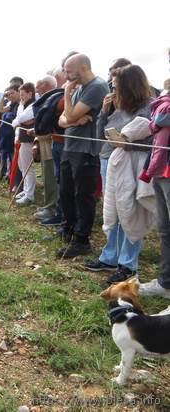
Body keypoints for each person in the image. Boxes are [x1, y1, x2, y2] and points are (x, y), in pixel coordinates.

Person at [84, 64, 154, 283]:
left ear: (129, 87)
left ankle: (128, 264)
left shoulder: (150, 107)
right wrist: (104, 114)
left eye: (117, 87)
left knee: (131, 212)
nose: (113, 91)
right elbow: (102, 136)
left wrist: (126, 145)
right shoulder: (118, 107)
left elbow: (154, 142)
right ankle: (110, 256)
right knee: (113, 210)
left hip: (136, 167)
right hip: (113, 163)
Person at [57, 54, 109, 258]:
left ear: (84, 68)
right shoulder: (79, 87)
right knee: (66, 190)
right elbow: (62, 121)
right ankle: (69, 229)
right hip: (71, 145)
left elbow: (67, 115)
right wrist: (72, 121)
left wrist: (68, 95)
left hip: (86, 149)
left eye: (69, 71)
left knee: (83, 195)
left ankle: (82, 240)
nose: (66, 75)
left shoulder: (96, 87)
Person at [138, 50, 170, 299]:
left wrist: (160, 117)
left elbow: (161, 116)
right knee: (164, 228)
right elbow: (156, 116)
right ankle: (166, 283)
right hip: (161, 165)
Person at [32, 75, 59, 220]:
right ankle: (48, 205)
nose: (36, 89)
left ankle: (51, 208)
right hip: (44, 143)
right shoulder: (48, 99)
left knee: (51, 177)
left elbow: (50, 125)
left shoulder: (54, 99)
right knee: (46, 175)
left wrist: (38, 132)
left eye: (39, 85)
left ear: (47, 85)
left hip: (51, 144)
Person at [13, 82, 37, 205]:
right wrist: (19, 121)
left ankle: (29, 195)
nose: (21, 97)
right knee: (22, 166)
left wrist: (19, 121)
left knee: (28, 168)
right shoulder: (23, 105)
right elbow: (19, 118)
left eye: (23, 94)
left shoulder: (33, 105)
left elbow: (20, 119)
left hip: (28, 141)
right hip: (22, 139)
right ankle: (26, 190)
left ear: (30, 93)